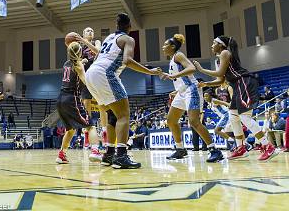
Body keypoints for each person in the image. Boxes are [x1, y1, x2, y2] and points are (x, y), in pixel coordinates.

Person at [85, 13, 162, 169]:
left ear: (116, 26)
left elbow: (98, 56)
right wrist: (150, 72)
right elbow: (127, 61)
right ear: (129, 27)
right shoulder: (128, 39)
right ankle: (121, 156)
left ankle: (109, 154)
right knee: (124, 115)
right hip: (105, 74)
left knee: (113, 116)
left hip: (91, 74)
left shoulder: (109, 38)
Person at [193, 36, 278, 161]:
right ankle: (241, 148)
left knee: (244, 117)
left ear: (221, 45)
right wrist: (206, 84)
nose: (211, 45)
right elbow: (221, 80)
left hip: (244, 82)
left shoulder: (225, 53)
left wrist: (201, 70)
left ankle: (268, 146)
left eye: (214, 43)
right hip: (238, 86)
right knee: (233, 116)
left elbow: (220, 73)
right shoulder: (219, 59)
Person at [159, 34, 223, 162]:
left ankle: (214, 150)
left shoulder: (178, 55)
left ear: (172, 46)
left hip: (191, 90)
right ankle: (180, 149)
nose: (163, 47)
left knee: (194, 122)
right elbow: (181, 79)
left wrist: (173, 76)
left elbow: (192, 68)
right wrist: (175, 89)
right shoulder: (173, 58)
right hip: (182, 92)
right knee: (171, 120)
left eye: (165, 44)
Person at [55, 42, 102, 164]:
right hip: (72, 98)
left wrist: (84, 61)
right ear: (80, 53)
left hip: (60, 99)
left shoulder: (66, 64)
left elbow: (77, 63)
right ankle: (95, 151)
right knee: (90, 126)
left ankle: (61, 155)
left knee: (70, 130)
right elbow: (86, 82)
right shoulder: (79, 65)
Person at [74, 27, 108, 150]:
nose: (90, 32)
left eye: (92, 31)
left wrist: (84, 41)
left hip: (97, 76)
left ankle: (104, 133)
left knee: (102, 105)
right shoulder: (78, 47)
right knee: (86, 106)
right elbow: (76, 62)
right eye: (87, 30)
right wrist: (80, 61)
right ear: (83, 33)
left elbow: (98, 51)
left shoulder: (96, 42)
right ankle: (87, 134)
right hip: (85, 78)